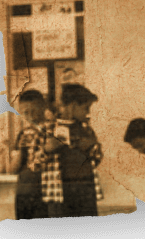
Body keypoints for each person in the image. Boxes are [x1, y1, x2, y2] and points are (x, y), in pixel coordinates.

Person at [42, 83, 102, 218]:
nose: (88, 113)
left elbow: (97, 158)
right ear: (73, 105)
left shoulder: (86, 129)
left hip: (86, 189)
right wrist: (46, 149)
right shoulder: (49, 128)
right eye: (86, 108)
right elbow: (34, 164)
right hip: (60, 192)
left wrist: (93, 146)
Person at [12, 89, 51, 220]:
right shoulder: (23, 135)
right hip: (24, 190)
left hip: (45, 191)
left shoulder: (53, 131)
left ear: (43, 107)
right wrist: (19, 150)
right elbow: (14, 169)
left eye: (34, 111)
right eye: (26, 113)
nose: (31, 117)